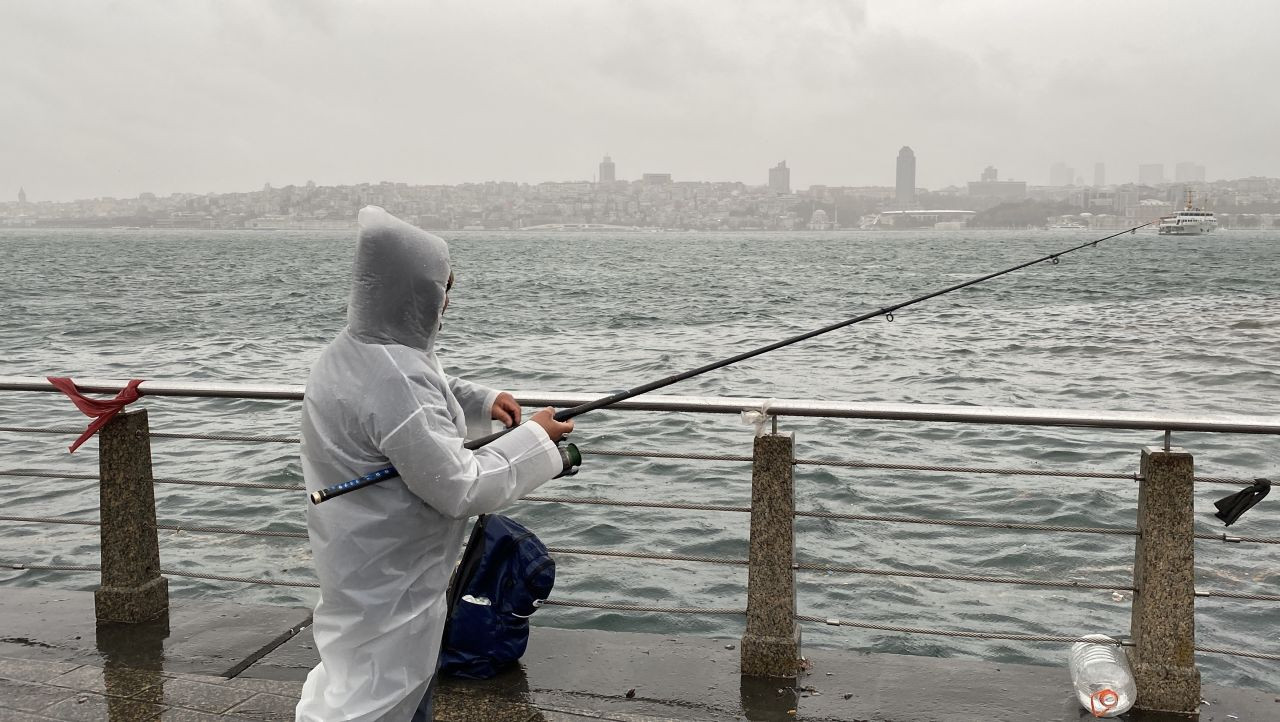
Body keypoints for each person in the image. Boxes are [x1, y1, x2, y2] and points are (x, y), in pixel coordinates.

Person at [296, 206, 574, 721]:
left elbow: (425, 392)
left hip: (360, 551)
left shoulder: (356, 351)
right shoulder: (392, 377)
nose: (446, 302)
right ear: (412, 293)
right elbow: (458, 485)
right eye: (442, 288)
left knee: (359, 669)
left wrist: (481, 402)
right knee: (380, 687)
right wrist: (539, 439)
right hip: (390, 568)